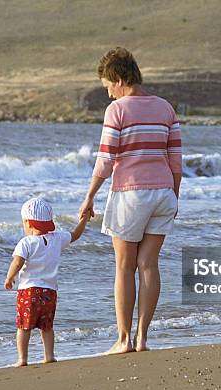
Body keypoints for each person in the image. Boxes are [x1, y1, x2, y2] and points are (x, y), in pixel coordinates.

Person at [79, 47, 182, 354]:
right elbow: (176, 162)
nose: (109, 95)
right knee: (148, 265)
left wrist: (89, 197)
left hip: (130, 194)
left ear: (120, 79)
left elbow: (105, 161)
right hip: (164, 193)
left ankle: (123, 340)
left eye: (109, 87)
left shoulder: (118, 110)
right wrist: (172, 199)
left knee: (124, 267)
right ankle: (143, 338)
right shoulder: (166, 108)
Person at [4, 197, 89, 367]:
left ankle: (22, 359)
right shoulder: (57, 238)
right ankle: (49, 355)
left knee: (24, 326)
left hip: (29, 292)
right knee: (47, 327)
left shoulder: (25, 243)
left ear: (28, 223)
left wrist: (9, 277)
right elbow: (75, 235)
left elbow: (17, 262)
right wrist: (84, 219)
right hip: (49, 292)